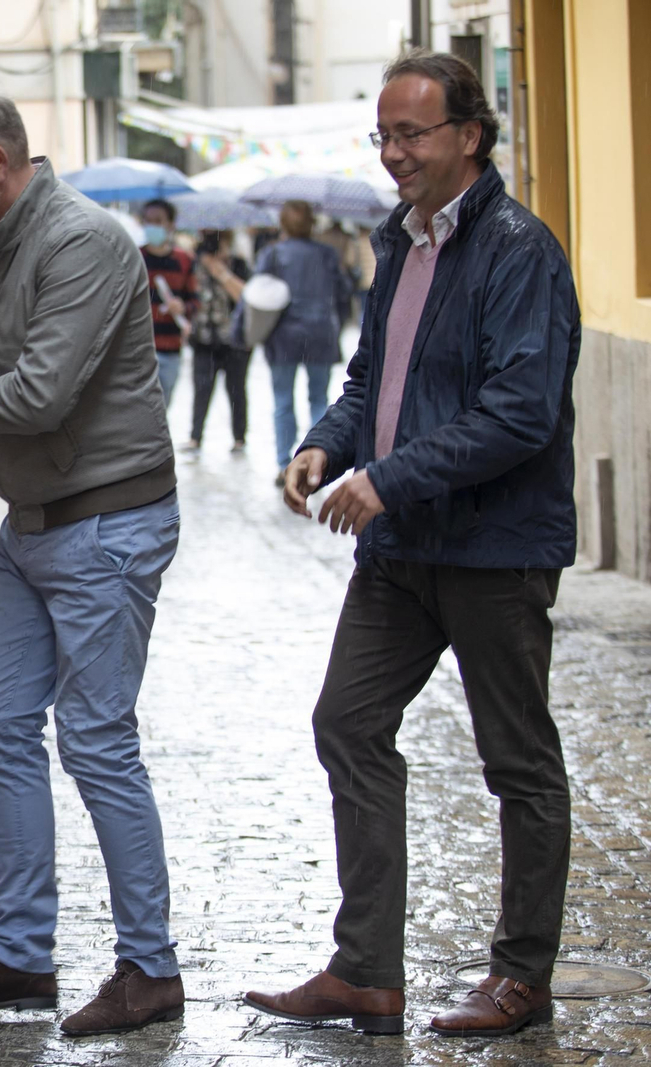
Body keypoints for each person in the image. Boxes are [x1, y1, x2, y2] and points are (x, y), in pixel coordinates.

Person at [245, 50, 580, 1038]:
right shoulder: (400, 242)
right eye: (382, 134)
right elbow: (367, 381)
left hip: (494, 546)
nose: (391, 153)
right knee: (346, 721)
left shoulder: (519, 249)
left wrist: (384, 479)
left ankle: (520, 977)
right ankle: (366, 971)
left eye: (411, 133)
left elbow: (519, 412)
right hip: (401, 554)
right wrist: (321, 443)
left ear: (468, 135)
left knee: (517, 762)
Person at [0, 77, 185, 1036]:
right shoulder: (0, 246)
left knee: (98, 740)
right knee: (1, 725)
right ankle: (23, 955)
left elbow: (40, 394)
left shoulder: (82, 242)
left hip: (104, 524)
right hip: (35, 526)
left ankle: (151, 970)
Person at [254, 200, 349, 486]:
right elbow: (343, 293)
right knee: (318, 398)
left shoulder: (272, 254)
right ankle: (314, 459)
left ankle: (285, 463)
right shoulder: (327, 254)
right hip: (320, 333)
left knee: (283, 400)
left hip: (283, 334)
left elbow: (259, 293)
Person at [185, 228, 251, 452]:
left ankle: (239, 438)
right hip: (203, 339)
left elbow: (245, 297)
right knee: (201, 389)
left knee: (236, 390)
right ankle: (195, 437)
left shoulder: (238, 265)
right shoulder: (193, 264)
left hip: (235, 341)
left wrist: (221, 272)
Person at [139, 199, 198, 409]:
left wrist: (183, 307)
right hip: (139, 349)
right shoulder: (134, 257)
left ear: (171, 225)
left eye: (158, 221)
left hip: (171, 349)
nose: (152, 225)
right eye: (148, 220)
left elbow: (195, 302)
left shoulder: (184, 260)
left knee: (162, 413)